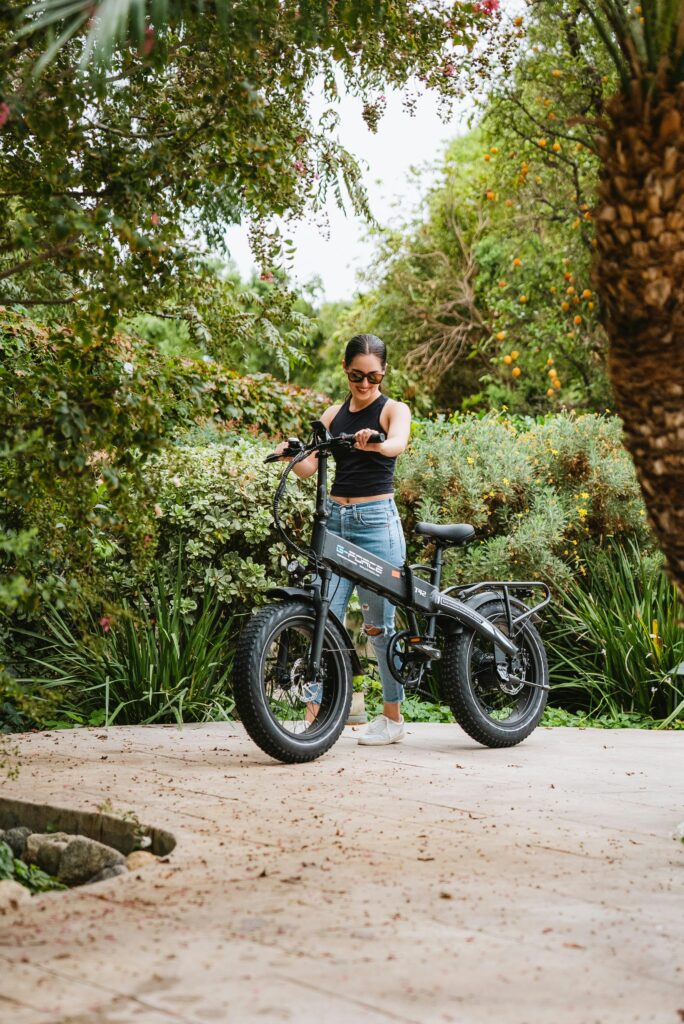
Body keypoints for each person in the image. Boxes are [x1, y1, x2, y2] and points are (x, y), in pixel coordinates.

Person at [275, 333, 411, 746]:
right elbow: (310, 467)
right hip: (335, 522)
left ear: (383, 373)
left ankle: (392, 719)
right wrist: (290, 455)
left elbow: (397, 444)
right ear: (345, 370)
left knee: (378, 628)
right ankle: (315, 720)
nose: (365, 384)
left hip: (376, 524)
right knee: (322, 621)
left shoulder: (393, 410)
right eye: (357, 376)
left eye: (373, 377)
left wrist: (376, 443)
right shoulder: (334, 415)